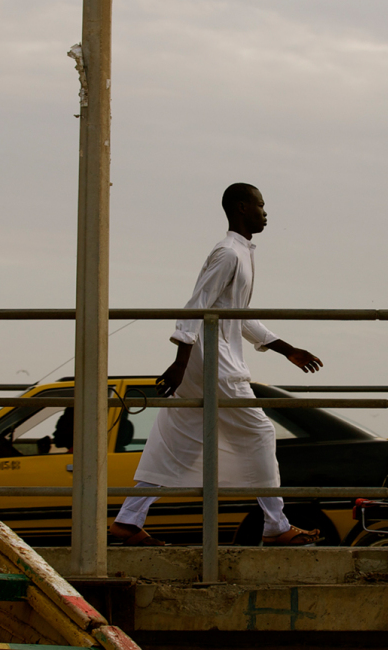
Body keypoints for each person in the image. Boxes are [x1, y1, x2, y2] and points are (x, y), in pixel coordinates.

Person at [108, 183, 326, 547]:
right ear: (242, 208)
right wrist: (180, 360)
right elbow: (197, 305)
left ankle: (128, 522)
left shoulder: (241, 252)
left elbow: (237, 315)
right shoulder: (228, 253)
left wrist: (286, 349)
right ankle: (276, 525)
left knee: (178, 442)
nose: (265, 211)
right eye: (260, 204)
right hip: (212, 360)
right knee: (260, 433)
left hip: (204, 357)